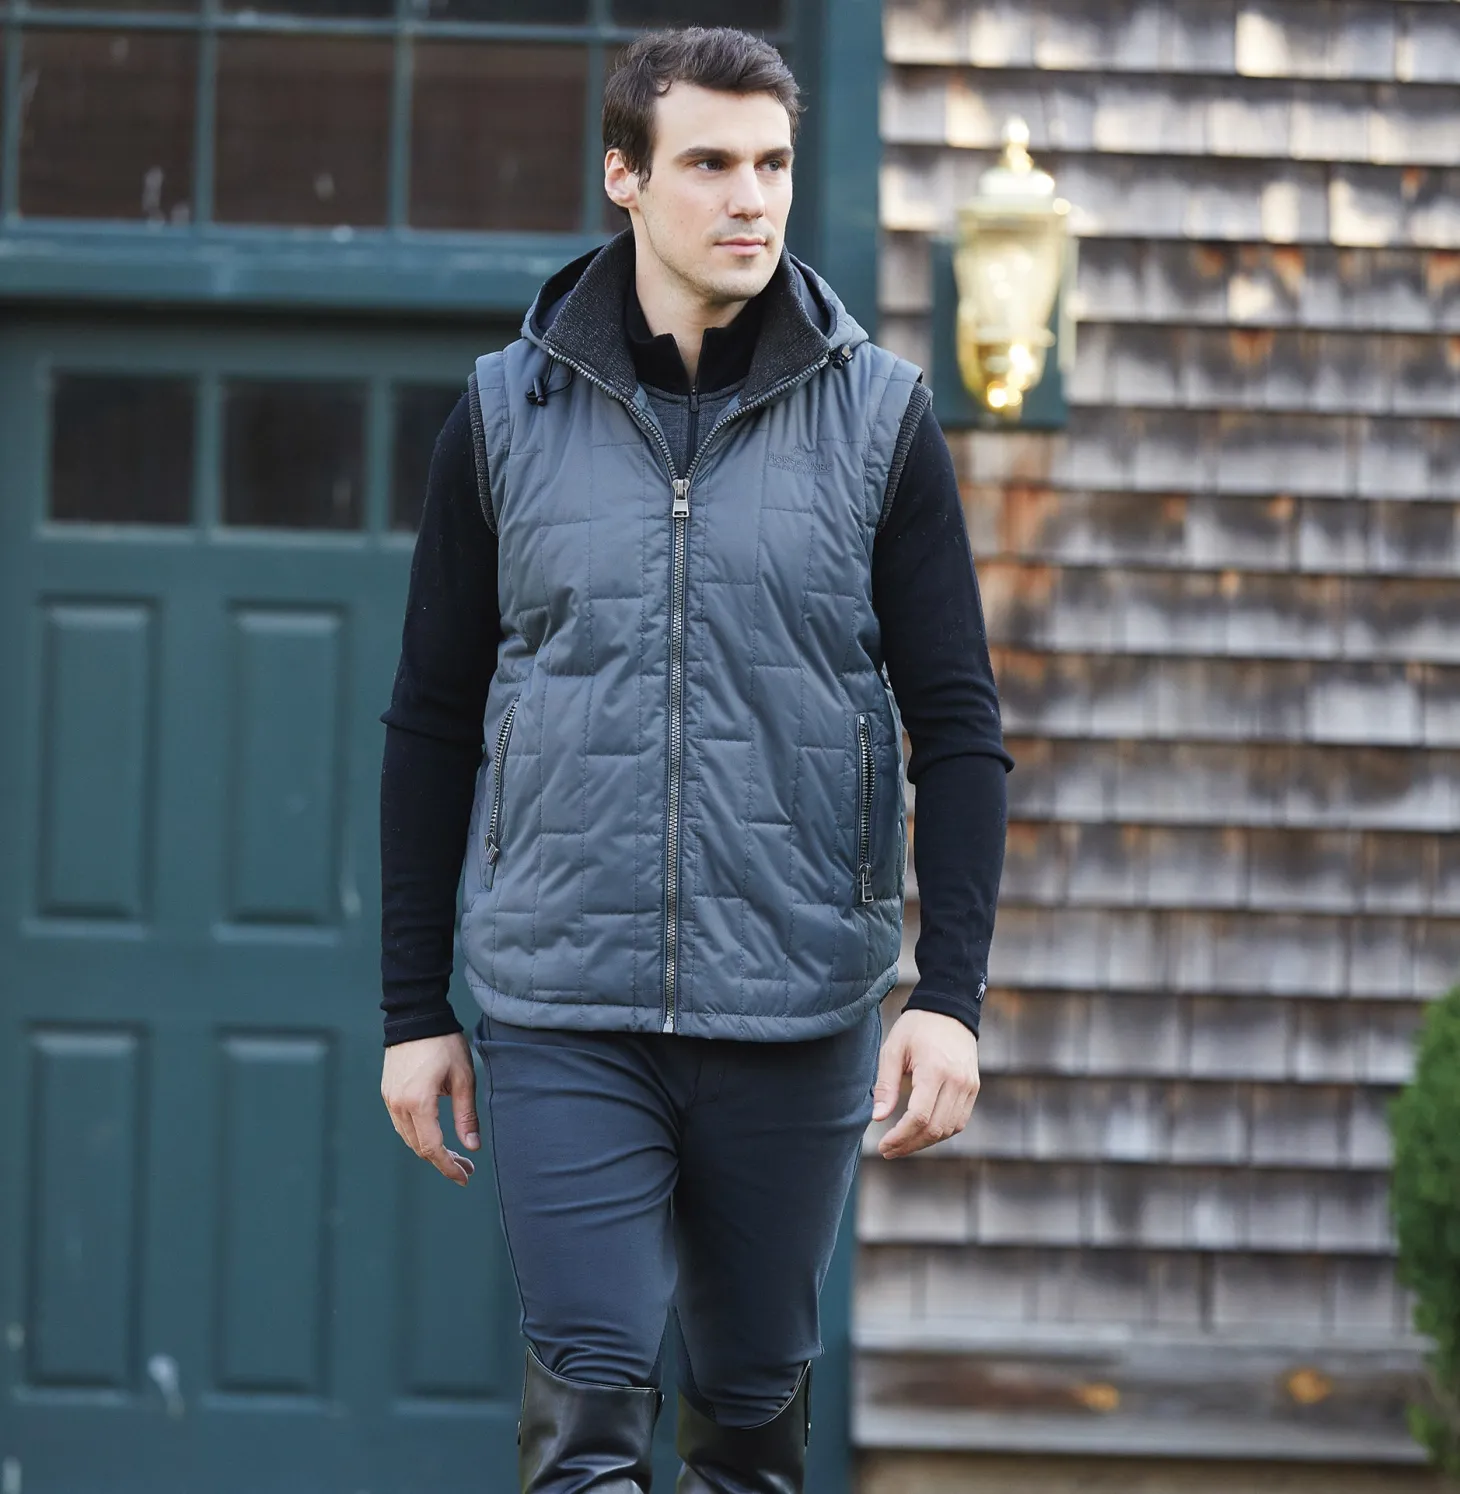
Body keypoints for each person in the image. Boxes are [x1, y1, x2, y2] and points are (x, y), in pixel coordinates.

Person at [378, 25, 1010, 1494]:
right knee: (585, 1431)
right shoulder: (503, 415)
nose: (751, 198)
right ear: (624, 175)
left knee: (748, 1434)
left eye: (773, 164)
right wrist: (414, 1005)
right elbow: (430, 721)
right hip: (563, 1002)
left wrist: (951, 995)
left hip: (797, 1002)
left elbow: (959, 725)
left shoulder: (881, 419)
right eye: (711, 162)